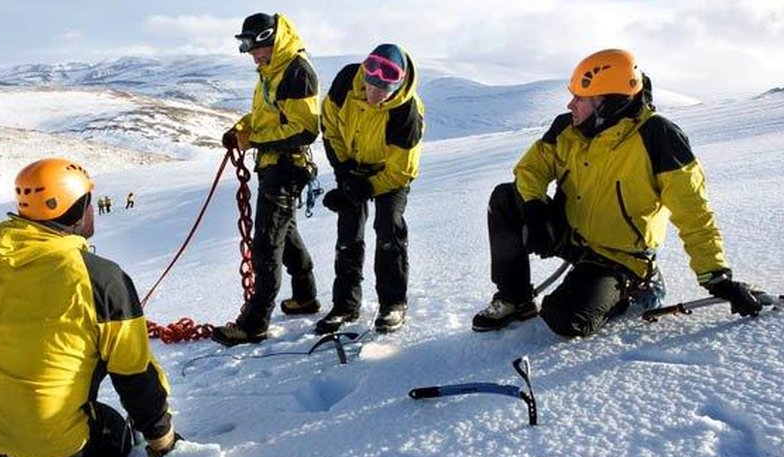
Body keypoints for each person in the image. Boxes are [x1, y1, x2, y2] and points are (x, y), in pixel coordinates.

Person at [0, 158, 180, 457]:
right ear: (75, 210)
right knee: (114, 435)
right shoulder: (99, 277)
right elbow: (133, 372)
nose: (93, 210)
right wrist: (162, 439)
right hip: (47, 435)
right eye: (89, 202)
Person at [472, 49, 763, 336]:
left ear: (607, 103)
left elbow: (694, 212)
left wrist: (716, 277)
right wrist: (534, 208)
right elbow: (530, 169)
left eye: (580, 98)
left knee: (564, 318)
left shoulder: (658, 136)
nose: (571, 104)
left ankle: (630, 289)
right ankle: (515, 299)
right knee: (507, 197)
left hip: (619, 257)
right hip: (572, 235)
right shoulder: (567, 127)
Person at [212, 12, 321, 346]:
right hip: (275, 164)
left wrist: (255, 140)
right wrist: (243, 129)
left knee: (266, 243)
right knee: (284, 233)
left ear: (271, 40)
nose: (252, 56)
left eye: (255, 48)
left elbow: (304, 129)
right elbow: (266, 116)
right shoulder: (270, 72)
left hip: (286, 166)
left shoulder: (295, 71)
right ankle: (305, 296)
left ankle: (256, 322)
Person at [317, 43, 424, 334]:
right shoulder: (346, 83)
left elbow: (402, 169)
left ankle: (393, 304)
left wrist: (359, 189)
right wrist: (343, 173)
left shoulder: (406, 113)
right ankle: (345, 305)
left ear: (398, 84)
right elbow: (330, 126)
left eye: (382, 90)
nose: (374, 94)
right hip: (353, 164)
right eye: (370, 84)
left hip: (390, 174)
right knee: (348, 233)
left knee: (389, 228)